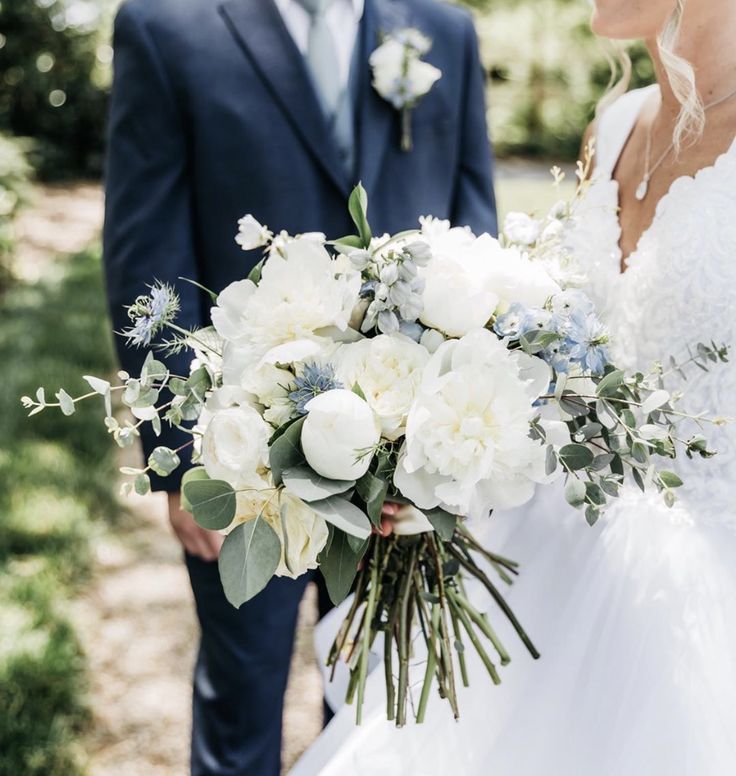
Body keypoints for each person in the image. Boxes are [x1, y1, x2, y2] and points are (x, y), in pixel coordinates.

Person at [290, 0, 736, 773]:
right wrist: (439, 462)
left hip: (706, 582)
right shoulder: (618, 123)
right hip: (553, 539)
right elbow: (572, 366)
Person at [102, 0, 497, 773]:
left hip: (408, 460)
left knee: (383, 707)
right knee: (241, 696)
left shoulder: (443, 31)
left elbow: (474, 224)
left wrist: (455, 439)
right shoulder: (164, 26)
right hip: (244, 455)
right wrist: (183, 460)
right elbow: (146, 251)